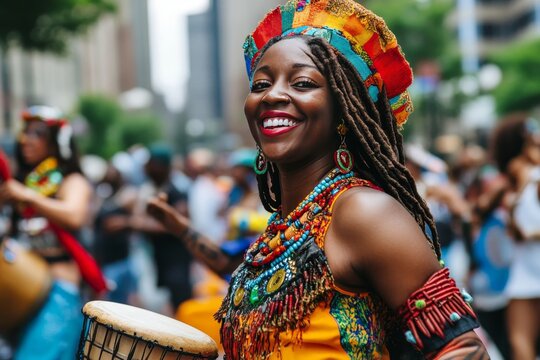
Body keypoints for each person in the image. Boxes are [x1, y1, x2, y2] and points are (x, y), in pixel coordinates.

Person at [147, 0, 489, 358]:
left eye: (303, 82)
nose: (274, 95)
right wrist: (181, 229)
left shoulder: (363, 212)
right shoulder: (285, 225)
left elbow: (465, 349)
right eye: (261, 83)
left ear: (343, 109)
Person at [0, 105, 94, 360]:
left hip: (57, 294)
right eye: (25, 133)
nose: (25, 139)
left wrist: (27, 196)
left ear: (56, 142)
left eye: (37, 134)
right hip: (19, 291)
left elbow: (74, 216)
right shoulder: (21, 182)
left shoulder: (72, 181)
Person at [491, 113, 540, 360]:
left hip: (527, 267)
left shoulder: (525, 179)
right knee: (519, 342)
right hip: (524, 268)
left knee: (521, 341)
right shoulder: (510, 184)